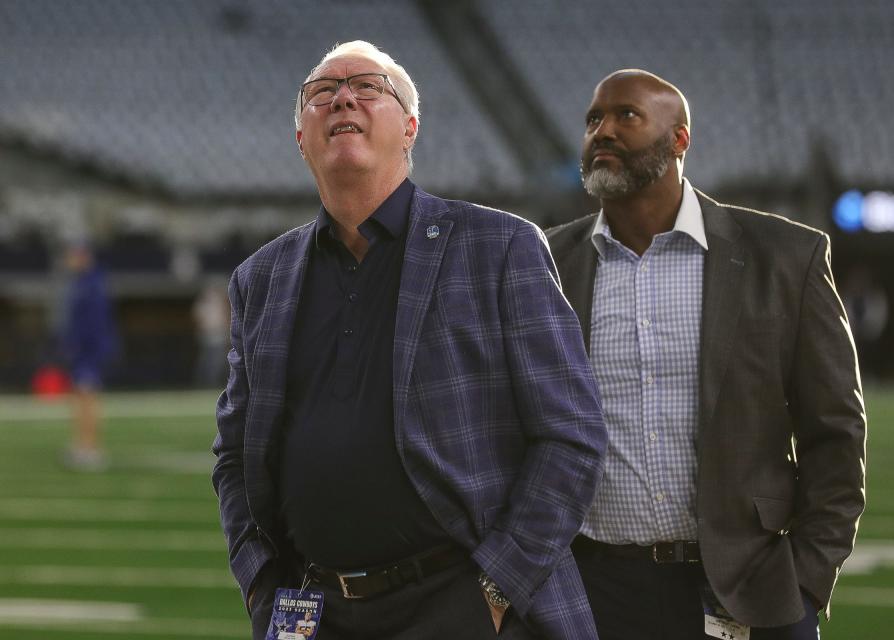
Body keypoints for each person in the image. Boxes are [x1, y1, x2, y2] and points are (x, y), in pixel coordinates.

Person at [212, 41, 607, 640]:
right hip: (314, 612)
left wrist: (494, 592)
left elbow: (570, 436)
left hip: (459, 604)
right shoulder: (260, 278)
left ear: (410, 128)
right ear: (301, 139)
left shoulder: (499, 247)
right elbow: (236, 455)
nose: (342, 96)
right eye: (320, 93)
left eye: (368, 87)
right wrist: (263, 586)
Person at [545, 70, 866, 639]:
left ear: (679, 140)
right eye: (593, 120)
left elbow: (836, 431)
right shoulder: (547, 262)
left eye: (627, 116)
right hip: (593, 592)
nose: (603, 132)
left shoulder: (785, 257)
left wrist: (808, 579)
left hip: (750, 588)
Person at [60, 242, 117, 471]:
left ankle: (90, 448)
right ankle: (82, 445)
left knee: (87, 399)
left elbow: (95, 323)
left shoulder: (92, 284)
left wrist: (86, 349)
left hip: (89, 354)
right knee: (81, 399)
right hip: (83, 353)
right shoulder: (83, 282)